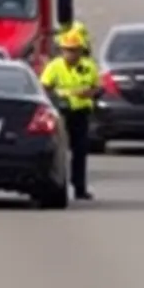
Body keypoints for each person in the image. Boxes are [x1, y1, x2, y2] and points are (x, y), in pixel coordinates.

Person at [39, 29, 102, 201]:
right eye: (67, 49)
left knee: (80, 152)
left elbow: (98, 88)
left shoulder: (89, 66)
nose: (71, 53)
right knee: (60, 151)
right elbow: (44, 88)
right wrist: (60, 96)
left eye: (74, 50)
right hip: (61, 113)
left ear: (81, 50)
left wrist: (89, 93)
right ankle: (59, 186)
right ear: (61, 50)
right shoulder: (54, 67)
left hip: (81, 113)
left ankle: (79, 188)